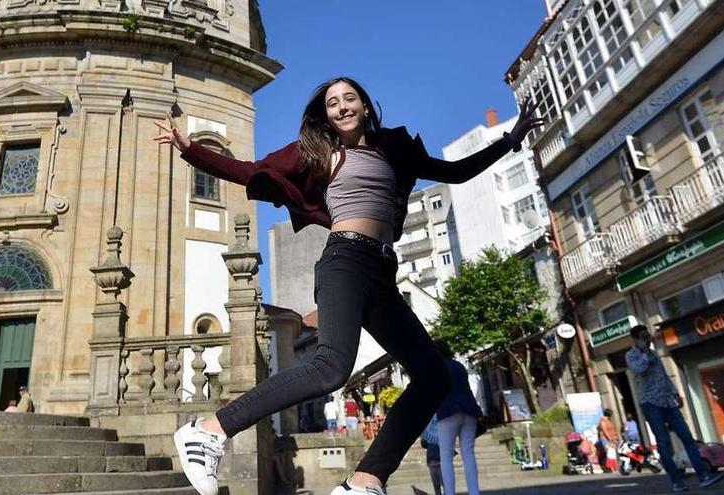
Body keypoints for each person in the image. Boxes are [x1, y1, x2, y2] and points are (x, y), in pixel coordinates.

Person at [156, 76, 541, 495]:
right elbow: (250, 171)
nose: (341, 107)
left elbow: (455, 171)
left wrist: (510, 139)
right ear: (326, 115)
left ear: (365, 105)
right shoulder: (319, 154)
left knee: (433, 376)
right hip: (344, 260)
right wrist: (192, 151)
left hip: (382, 270)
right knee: (331, 369)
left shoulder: (394, 150)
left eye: (349, 98)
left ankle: (365, 480)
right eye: (332, 103)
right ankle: (209, 431)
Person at [626, 325, 723, 493]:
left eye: (647, 336)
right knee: (663, 444)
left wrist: (675, 393)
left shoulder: (653, 353)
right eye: (643, 337)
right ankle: (677, 481)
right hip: (650, 404)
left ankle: (704, 475)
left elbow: (663, 375)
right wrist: (644, 352)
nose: (647, 339)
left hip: (668, 402)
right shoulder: (631, 355)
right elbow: (640, 370)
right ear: (635, 339)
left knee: (687, 437)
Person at [433, 340, 482, 495]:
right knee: (468, 452)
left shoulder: (437, 367)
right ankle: (474, 492)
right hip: (469, 409)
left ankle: (449, 493)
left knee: (446, 455)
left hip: (447, 411)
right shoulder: (459, 366)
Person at [420, 416, 444, 495]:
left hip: (436, 458)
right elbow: (423, 444)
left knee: (440, 484)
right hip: (434, 458)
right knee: (440, 484)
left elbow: (423, 444)